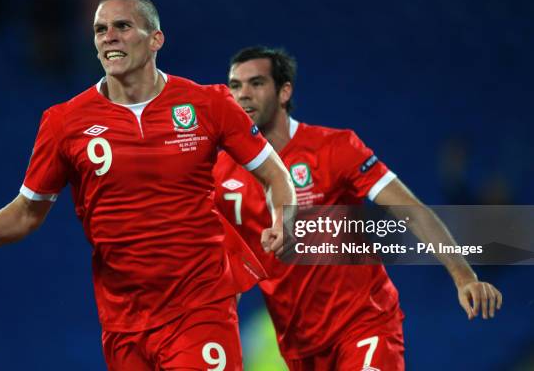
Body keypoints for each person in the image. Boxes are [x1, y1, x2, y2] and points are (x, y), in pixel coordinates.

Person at [0, 0, 296, 370]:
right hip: (124, 318)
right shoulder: (64, 122)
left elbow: (275, 175)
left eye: (122, 26)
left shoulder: (208, 104)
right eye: (99, 29)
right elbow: (28, 213)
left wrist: (283, 221)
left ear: (155, 39)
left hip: (200, 302)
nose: (109, 36)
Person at [213, 46, 503, 370]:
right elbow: (228, 262)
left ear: (284, 92)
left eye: (256, 83)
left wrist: (464, 276)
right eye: (235, 86)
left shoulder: (334, 148)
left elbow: (409, 208)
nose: (244, 95)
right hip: (300, 347)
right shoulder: (222, 173)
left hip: (364, 323)